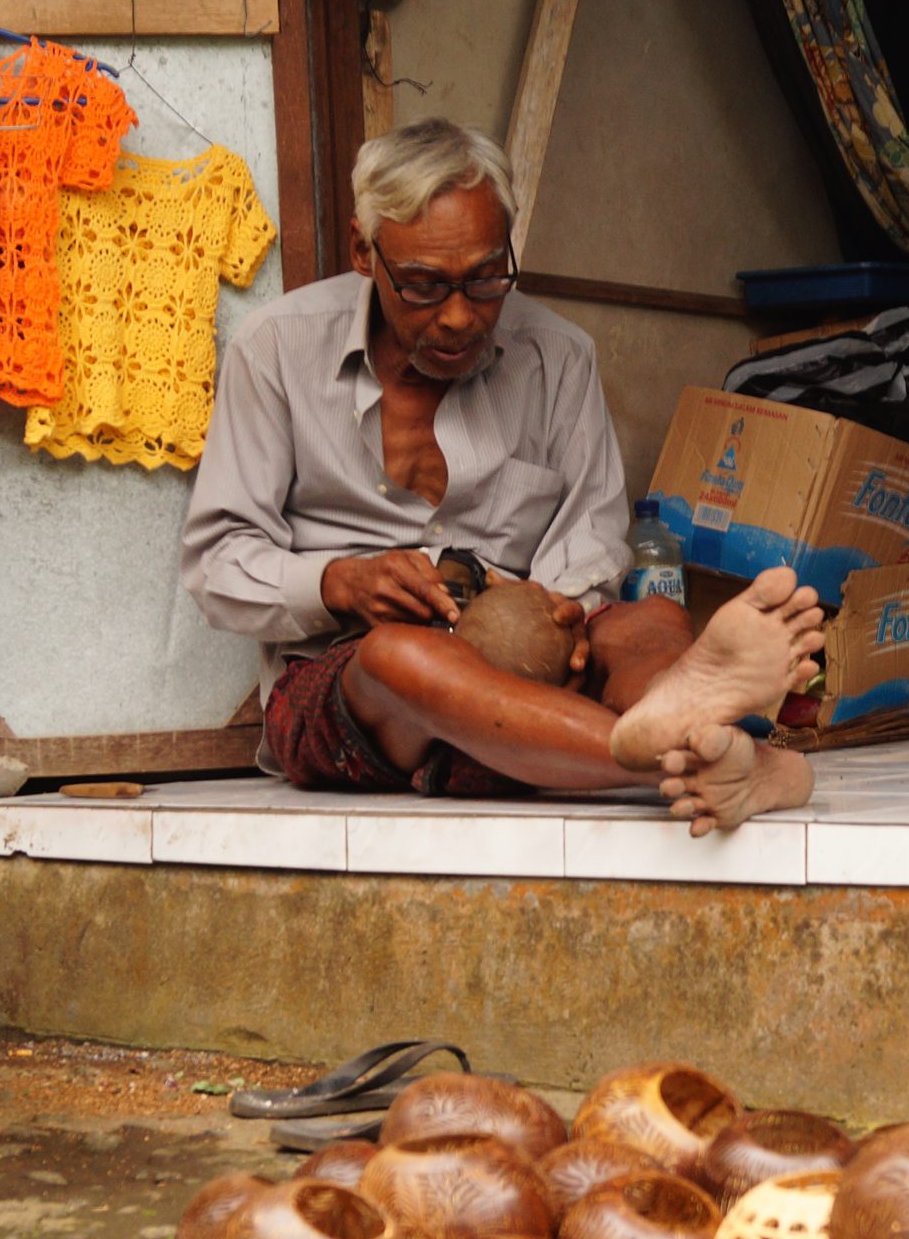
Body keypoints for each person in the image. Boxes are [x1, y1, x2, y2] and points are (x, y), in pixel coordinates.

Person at [181, 119, 820, 835]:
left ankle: (692, 723)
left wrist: (558, 623)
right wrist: (337, 582)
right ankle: (676, 752)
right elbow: (217, 565)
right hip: (357, 683)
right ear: (365, 251)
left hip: (537, 663)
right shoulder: (276, 351)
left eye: (485, 278)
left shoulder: (556, 355)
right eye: (423, 286)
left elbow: (588, 542)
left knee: (650, 622)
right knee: (401, 655)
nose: (460, 317)